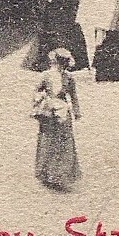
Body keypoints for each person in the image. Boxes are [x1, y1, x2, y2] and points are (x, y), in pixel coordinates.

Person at [33, 48, 82, 191]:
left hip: (63, 113)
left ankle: (60, 174)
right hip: (48, 113)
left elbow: (73, 96)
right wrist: (41, 99)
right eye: (60, 62)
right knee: (47, 141)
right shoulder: (46, 76)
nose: (61, 65)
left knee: (64, 142)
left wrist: (77, 112)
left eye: (64, 63)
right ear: (54, 61)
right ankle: (46, 172)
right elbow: (37, 91)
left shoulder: (69, 78)